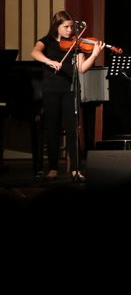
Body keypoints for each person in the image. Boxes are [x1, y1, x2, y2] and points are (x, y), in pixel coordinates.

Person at [31, 11, 104, 181]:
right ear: (57, 26)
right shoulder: (46, 42)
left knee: (73, 130)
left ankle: (76, 169)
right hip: (51, 91)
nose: (70, 30)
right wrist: (48, 61)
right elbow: (34, 53)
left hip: (70, 90)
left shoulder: (75, 45)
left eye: (71, 26)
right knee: (53, 129)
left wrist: (94, 54)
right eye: (66, 27)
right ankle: (53, 168)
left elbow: (82, 68)